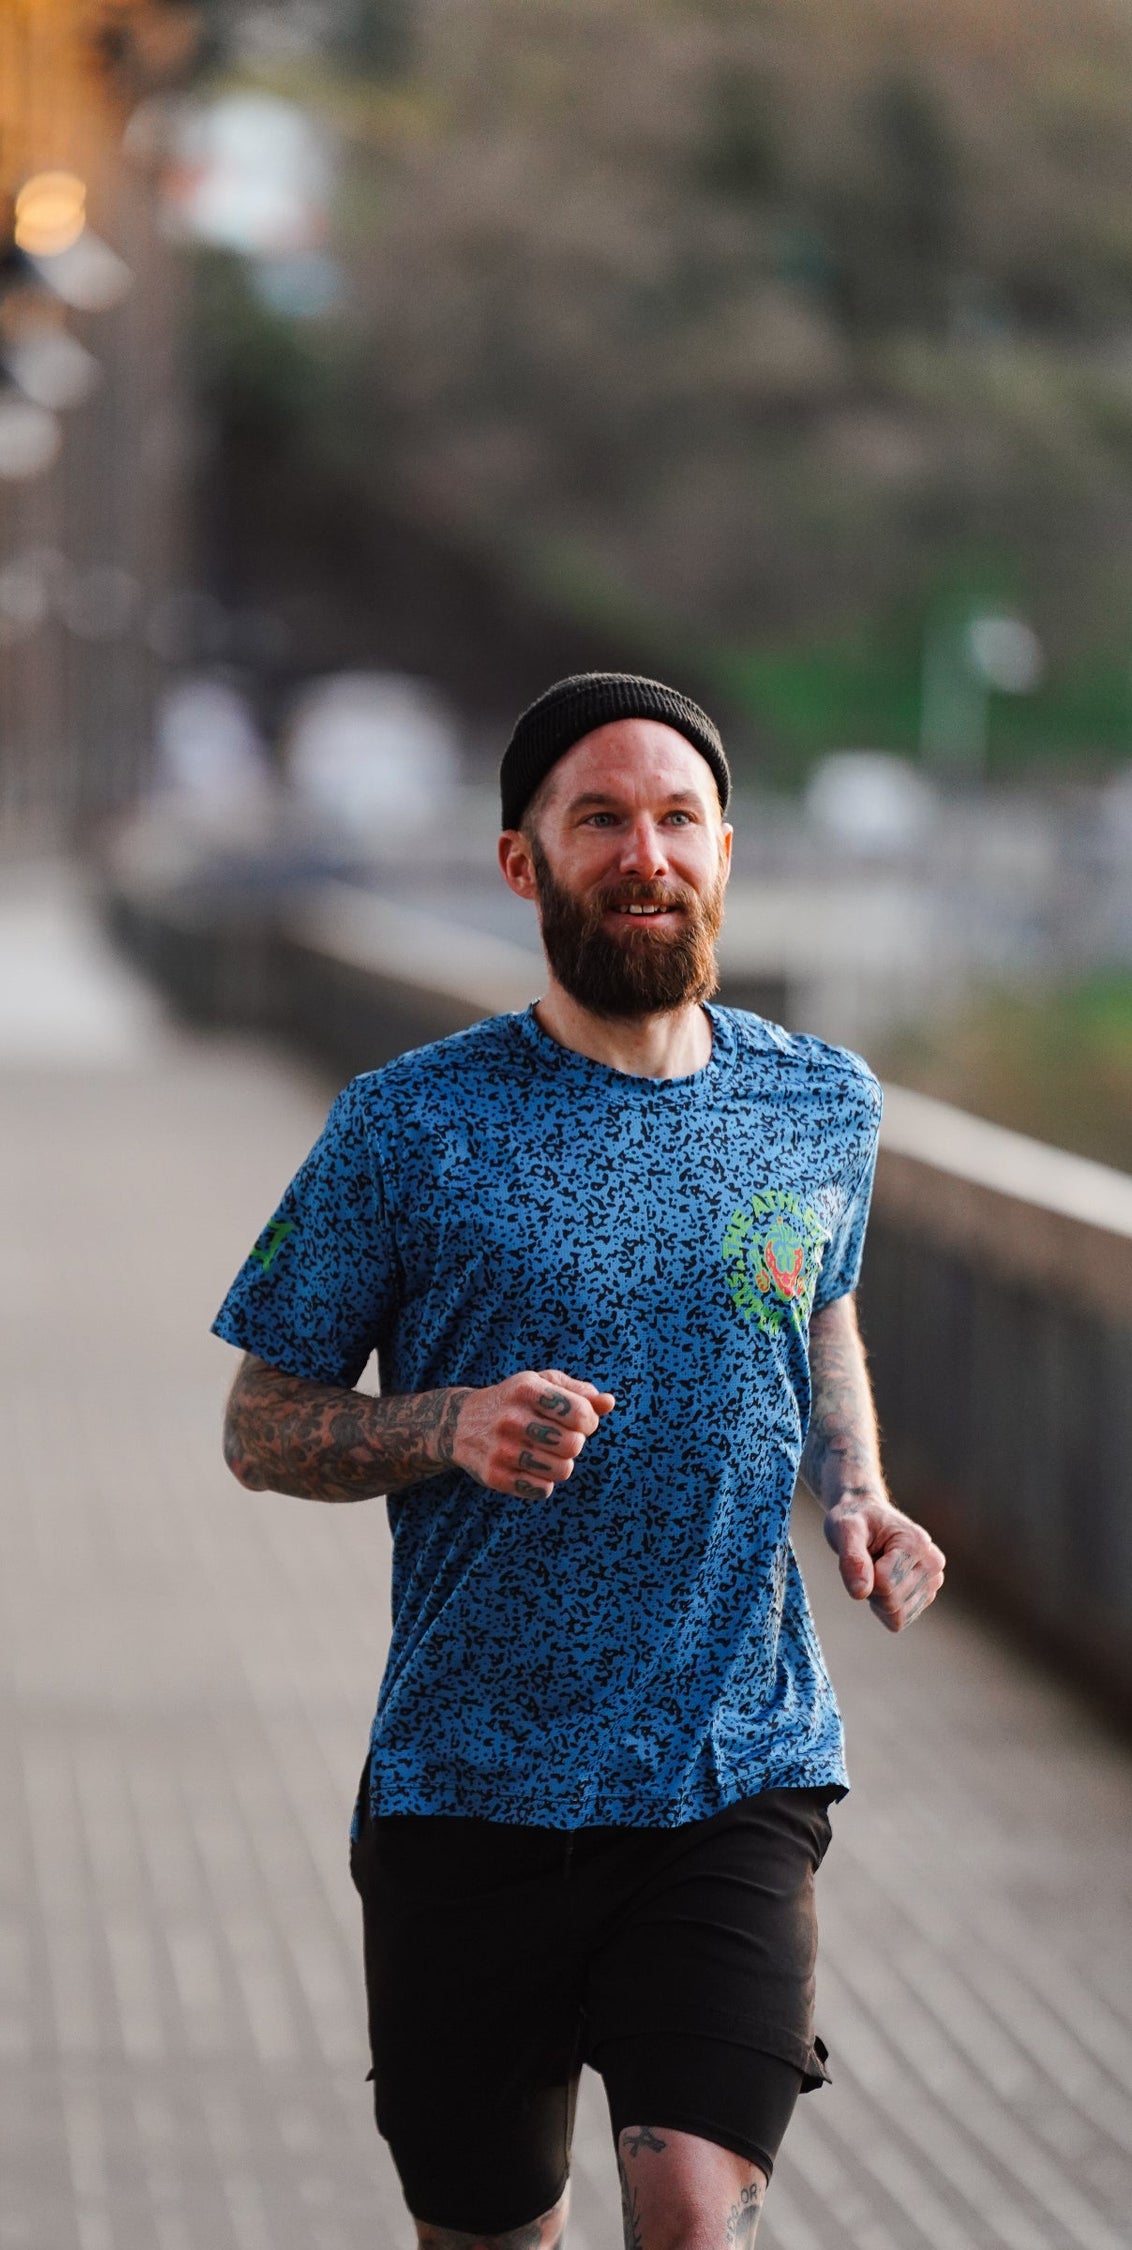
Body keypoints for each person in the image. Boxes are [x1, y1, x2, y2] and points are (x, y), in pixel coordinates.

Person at [213, 671, 946, 2250]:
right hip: (472, 1783)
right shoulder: (405, 1128)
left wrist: (859, 1493)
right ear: (521, 861)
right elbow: (260, 1421)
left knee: (691, 2210)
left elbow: (818, 1313)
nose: (645, 852)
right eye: (599, 818)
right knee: (491, 2232)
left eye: (678, 818)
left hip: (731, 1763)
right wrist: (443, 1424)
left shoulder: (823, 1103)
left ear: (727, 852)